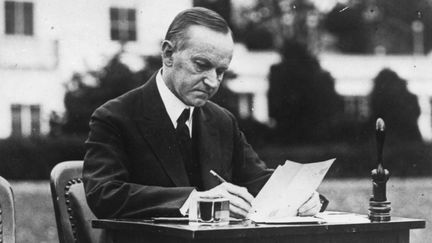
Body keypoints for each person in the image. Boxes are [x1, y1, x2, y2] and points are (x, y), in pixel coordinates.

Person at [83, 7, 326, 219]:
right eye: (201, 65)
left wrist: (301, 196)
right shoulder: (114, 117)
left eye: (221, 71)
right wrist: (193, 201)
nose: (212, 82)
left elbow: (256, 179)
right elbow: (104, 195)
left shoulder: (221, 120)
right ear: (168, 54)